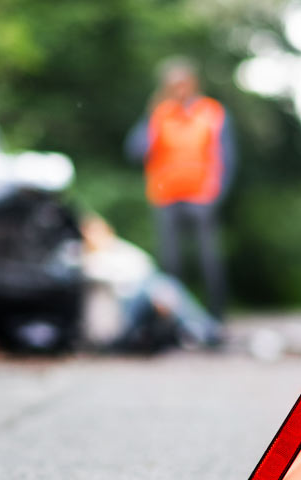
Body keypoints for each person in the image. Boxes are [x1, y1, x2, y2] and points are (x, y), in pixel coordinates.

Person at [125, 57, 237, 320]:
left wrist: (217, 192)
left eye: (183, 83)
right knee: (171, 262)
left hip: (201, 196)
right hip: (165, 196)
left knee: (209, 260)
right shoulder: (159, 114)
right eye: (173, 85)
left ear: (193, 83)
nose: (179, 89)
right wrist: (149, 117)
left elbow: (227, 156)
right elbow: (135, 151)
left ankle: (216, 318)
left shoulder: (212, 112)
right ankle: (176, 320)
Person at [80, 215, 221, 352]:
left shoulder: (120, 249)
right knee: (160, 285)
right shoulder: (84, 258)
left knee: (163, 284)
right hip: (125, 307)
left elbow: (146, 266)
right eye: (91, 232)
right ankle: (201, 328)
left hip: (143, 296)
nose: (96, 236)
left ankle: (197, 328)